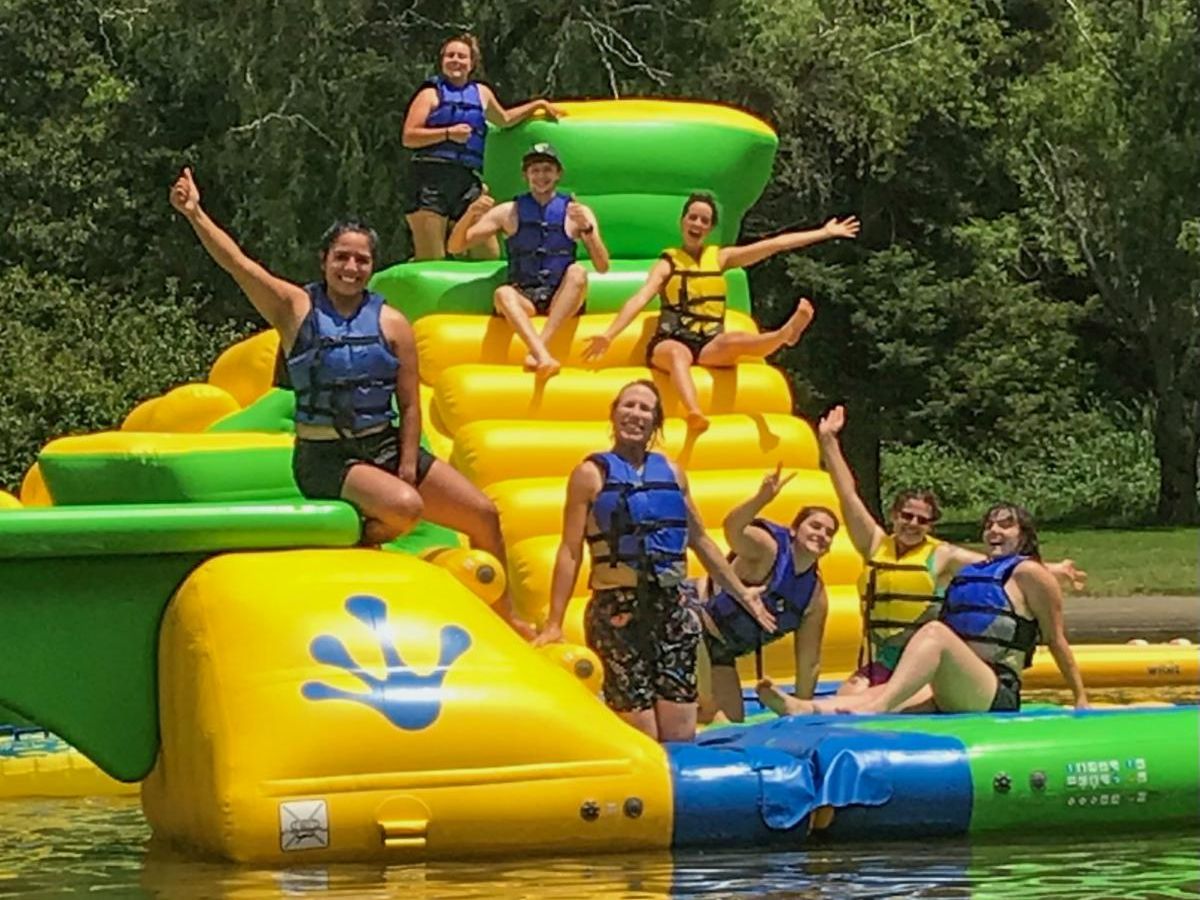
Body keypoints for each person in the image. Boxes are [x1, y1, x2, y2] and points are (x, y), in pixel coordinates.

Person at [168, 167, 532, 638]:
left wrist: (406, 462)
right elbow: (238, 263)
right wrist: (195, 213)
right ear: (324, 260)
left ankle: (505, 620)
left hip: (384, 447)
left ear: (372, 266)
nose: (351, 268)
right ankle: (354, 540)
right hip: (326, 458)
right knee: (404, 507)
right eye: (342, 257)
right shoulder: (294, 308)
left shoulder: (393, 322)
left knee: (484, 514)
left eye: (361, 260)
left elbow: (410, 402)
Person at [532, 380, 774, 742]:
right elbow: (570, 550)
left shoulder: (673, 474)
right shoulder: (589, 475)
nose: (636, 414)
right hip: (618, 612)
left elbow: (700, 540)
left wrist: (743, 592)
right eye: (629, 405)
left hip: (672, 609)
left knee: (679, 732)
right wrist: (553, 622)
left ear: (656, 423)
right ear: (613, 414)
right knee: (640, 733)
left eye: (646, 409)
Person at [816, 405, 1086, 697]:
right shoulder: (873, 544)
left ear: (931, 525)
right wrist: (829, 441)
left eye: (922, 520)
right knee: (846, 699)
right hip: (883, 657)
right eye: (907, 516)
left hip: (922, 658)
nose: (913, 524)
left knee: (884, 703)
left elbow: (999, 567)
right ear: (894, 516)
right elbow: (847, 494)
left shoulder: (943, 556)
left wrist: (1053, 568)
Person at [757, 502, 1089, 715]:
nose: (994, 531)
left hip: (994, 691)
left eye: (1005, 525)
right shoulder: (973, 570)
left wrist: (1080, 698)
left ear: (1024, 536)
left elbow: (1056, 639)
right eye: (989, 524)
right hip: (954, 685)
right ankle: (805, 708)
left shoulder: (1029, 573)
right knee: (876, 693)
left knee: (932, 635)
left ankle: (879, 709)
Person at [583, 193, 860, 432]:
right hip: (672, 339)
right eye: (693, 217)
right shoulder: (668, 263)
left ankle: (783, 335)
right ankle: (694, 411)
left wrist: (824, 233)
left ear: (711, 228)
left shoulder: (720, 258)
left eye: (704, 220)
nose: (697, 224)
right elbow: (640, 298)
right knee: (678, 355)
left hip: (708, 343)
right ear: (683, 221)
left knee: (735, 340)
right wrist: (610, 334)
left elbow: (774, 245)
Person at [448, 143, 610, 377]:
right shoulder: (508, 212)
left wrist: (587, 230)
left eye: (547, 170)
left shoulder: (577, 212)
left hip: (560, 297)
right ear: (525, 176)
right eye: (535, 171)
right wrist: (470, 214)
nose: (541, 176)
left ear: (558, 174)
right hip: (525, 296)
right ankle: (543, 355)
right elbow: (456, 247)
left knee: (578, 272)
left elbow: (602, 266)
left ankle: (538, 348)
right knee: (502, 293)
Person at [695, 463, 839, 723]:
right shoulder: (767, 548)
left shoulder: (814, 597)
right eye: (815, 526)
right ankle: (701, 703)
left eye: (829, 533)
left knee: (733, 727)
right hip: (689, 623)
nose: (822, 534)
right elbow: (732, 529)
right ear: (794, 530)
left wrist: (802, 712)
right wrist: (761, 499)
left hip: (720, 651)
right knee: (713, 716)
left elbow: (809, 663)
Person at [402, 33, 563, 261]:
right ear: (442, 61)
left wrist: (536, 104)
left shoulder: (481, 93)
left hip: (467, 180)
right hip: (431, 178)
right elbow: (409, 137)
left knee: (487, 254)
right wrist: (448, 133)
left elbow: (504, 119)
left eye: (461, 56)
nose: (455, 60)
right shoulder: (430, 94)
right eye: (450, 55)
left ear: (471, 63)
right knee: (432, 258)